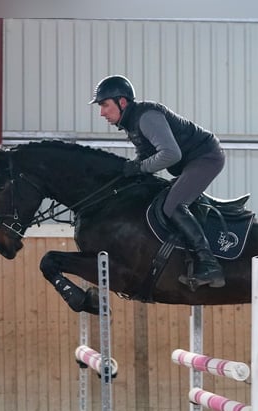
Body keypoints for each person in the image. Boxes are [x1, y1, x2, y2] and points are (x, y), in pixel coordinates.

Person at [88, 74, 226, 289]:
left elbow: (171, 154)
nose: (101, 112)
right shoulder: (132, 123)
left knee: (173, 206)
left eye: (105, 105)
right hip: (191, 162)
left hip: (206, 157)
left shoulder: (146, 117)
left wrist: (139, 167)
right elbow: (144, 158)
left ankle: (210, 266)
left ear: (122, 102)